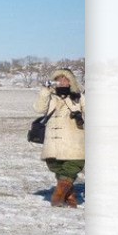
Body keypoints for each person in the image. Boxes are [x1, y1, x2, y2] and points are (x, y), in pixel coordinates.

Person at [33, 67, 85, 207]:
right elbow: (38, 109)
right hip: (53, 142)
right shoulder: (50, 98)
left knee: (73, 165)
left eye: (65, 79)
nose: (62, 82)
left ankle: (57, 197)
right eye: (58, 80)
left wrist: (80, 115)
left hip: (74, 141)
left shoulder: (78, 97)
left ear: (71, 82)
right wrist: (44, 92)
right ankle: (70, 197)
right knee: (56, 166)